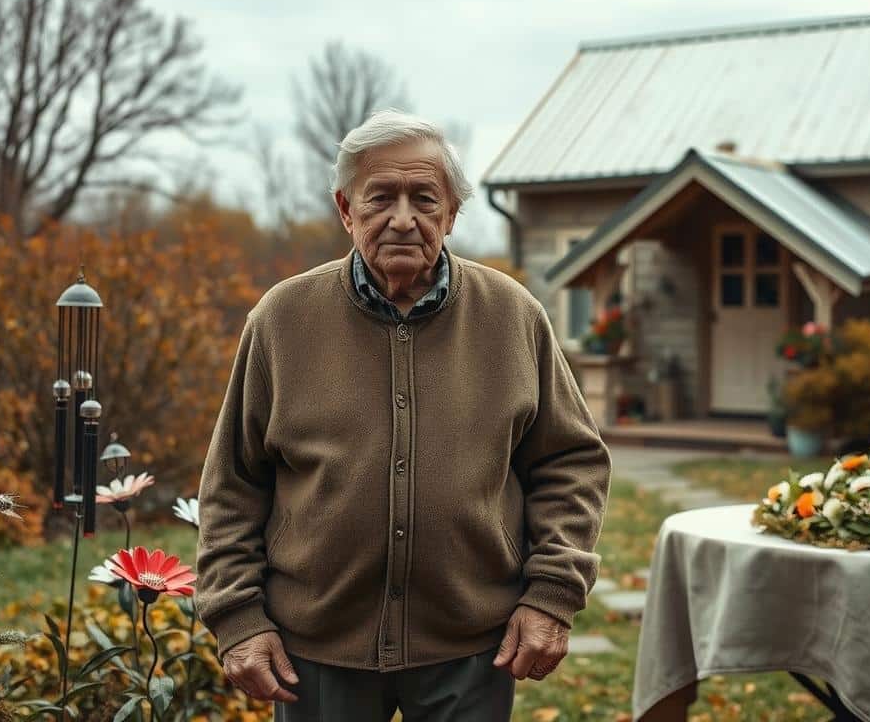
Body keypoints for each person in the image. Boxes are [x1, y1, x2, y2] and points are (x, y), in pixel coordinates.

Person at [194, 109, 612, 721]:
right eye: (380, 197)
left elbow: (570, 463)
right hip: (311, 653)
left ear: (451, 213)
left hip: (472, 649)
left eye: (424, 198)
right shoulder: (281, 321)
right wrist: (237, 618)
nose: (402, 218)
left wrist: (551, 595)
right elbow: (233, 485)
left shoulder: (513, 316)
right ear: (346, 209)